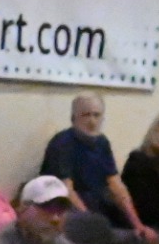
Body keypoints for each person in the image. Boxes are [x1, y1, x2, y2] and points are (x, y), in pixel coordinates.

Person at [39, 94, 152, 236]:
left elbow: (116, 186)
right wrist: (91, 221)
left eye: (96, 115)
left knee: (138, 233)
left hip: (97, 209)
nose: (92, 121)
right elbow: (67, 190)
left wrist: (138, 225)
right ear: (73, 118)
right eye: (86, 115)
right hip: (67, 210)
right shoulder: (62, 143)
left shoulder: (102, 142)